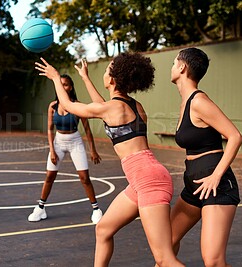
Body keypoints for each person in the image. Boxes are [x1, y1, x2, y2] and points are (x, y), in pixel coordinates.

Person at [35, 54, 184, 267]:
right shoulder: (132, 105)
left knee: (164, 258)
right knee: (103, 229)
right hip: (143, 179)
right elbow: (103, 106)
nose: (104, 73)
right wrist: (85, 78)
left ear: (113, 79)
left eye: (107, 70)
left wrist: (56, 78)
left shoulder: (112, 108)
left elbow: (68, 105)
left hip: (149, 180)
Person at [168, 47, 242, 266]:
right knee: (166, 244)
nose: (171, 67)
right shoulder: (186, 102)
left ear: (182, 67)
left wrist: (216, 175)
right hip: (194, 184)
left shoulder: (199, 101)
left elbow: (235, 136)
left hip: (216, 185)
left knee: (213, 261)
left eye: (174, 63)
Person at [28, 74, 103, 224]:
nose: (64, 87)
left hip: (75, 141)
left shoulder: (78, 106)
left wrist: (93, 150)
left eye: (67, 84)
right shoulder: (52, 106)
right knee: (50, 176)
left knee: (84, 178)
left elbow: (87, 130)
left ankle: (96, 210)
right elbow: (49, 129)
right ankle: (40, 208)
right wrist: (52, 150)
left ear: (71, 87)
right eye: (61, 84)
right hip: (58, 142)